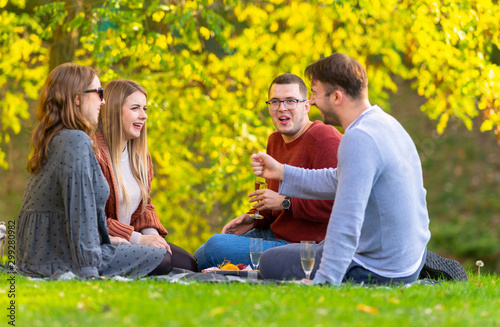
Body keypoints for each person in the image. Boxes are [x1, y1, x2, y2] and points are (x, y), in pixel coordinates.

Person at [254, 53, 467, 284]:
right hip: (408, 257)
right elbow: (337, 179)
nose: (312, 102)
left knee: (269, 262)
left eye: (314, 93)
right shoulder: (385, 123)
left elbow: (347, 220)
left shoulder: (359, 138)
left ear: (336, 97)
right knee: (307, 251)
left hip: (379, 269)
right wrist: (282, 172)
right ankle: (416, 268)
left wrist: (325, 281)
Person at [16, 63, 173, 279]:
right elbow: (79, 211)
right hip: (62, 259)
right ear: (78, 98)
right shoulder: (76, 141)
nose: (103, 100)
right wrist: (90, 272)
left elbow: (76, 214)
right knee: (163, 260)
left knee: (172, 258)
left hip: (42, 256)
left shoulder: (59, 138)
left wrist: (107, 239)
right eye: (98, 93)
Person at [193, 73, 343, 270]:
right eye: (275, 102)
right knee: (213, 245)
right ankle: (174, 268)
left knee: (216, 248)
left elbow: (338, 205)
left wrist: (285, 202)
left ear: (306, 106)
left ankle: (173, 269)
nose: (282, 108)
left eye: (290, 101)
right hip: (275, 235)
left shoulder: (325, 138)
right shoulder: (275, 140)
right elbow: (274, 208)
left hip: (306, 246)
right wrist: (253, 219)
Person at [96, 79, 198, 272]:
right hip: (106, 242)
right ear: (114, 111)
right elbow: (94, 218)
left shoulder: (140, 156)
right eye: (135, 108)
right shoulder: (96, 154)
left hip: (133, 238)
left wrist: (153, 238)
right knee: (164, 262)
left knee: (189, 264)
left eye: (145, 109)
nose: (143, 116)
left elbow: (145, 205)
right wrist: (139, 239)